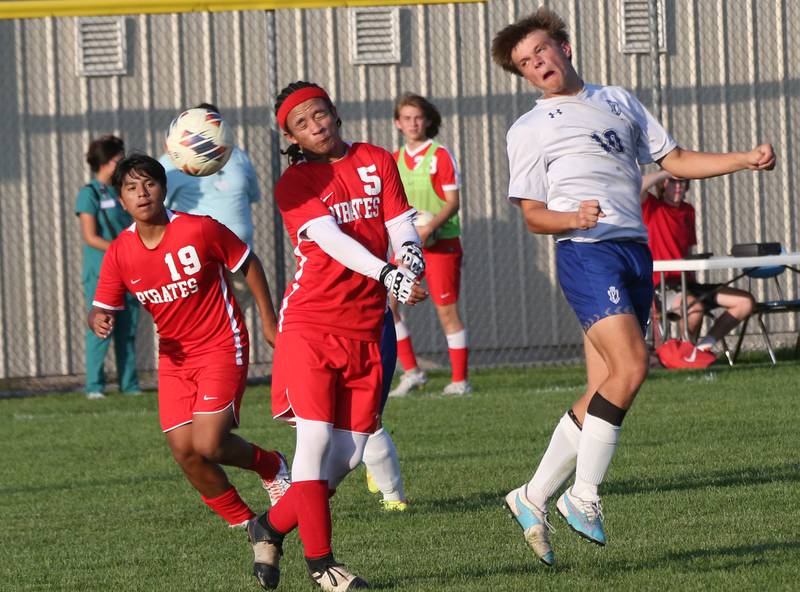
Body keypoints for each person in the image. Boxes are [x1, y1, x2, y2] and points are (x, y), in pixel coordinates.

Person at [491, 7, 775, 565]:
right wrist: (571, 218)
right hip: (586, 252)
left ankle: (530, 495)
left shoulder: (618, 98)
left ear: (565, 48)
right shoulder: (528, 129)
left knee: (606, 384)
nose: (537, 64)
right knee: (633, 367)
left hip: (633, 252)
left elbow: (675, 160)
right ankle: (584, 496)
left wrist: (743, 159)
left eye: (541, 51)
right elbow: (531, 215)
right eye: (525, 62)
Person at [246, 81, 427, 592]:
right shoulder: (295, 184)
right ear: (292, 137)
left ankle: (270, 525)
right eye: (301, 123)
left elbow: (400, 220)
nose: (316, 125)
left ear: (335, 112)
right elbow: (331, 239)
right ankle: (323, 565)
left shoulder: (375, 158)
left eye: (320, 113)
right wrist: (388, 274)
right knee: (316, 437)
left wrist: (408, 259)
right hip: (311, 324)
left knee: (345, 458)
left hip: (366, 327)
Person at [87, 154, 290, 553]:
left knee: (210, 443)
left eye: (149, 183)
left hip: (221, 344)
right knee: (185, 451)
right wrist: (98, 318)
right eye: (131, 188)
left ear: (164, 189)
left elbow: (248, 263)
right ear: (122, 202)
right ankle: (249, 525)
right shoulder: (120, 252)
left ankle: (272, 465)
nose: (142, 193)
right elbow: (102, 306)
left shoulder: (199, 229)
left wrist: (268, 323)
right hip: (175, 360)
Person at [389, 93, 471, 397]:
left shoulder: (439, 155)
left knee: (445, 310)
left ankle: (460, 380)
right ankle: (412, 372)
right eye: (406, 118)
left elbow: (453, 202)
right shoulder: (394, 159)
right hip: (409, 243)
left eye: (418, 117)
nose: (413, 123)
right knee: (390, 305)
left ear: (427, 121)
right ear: (398, 123)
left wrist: (430, 227)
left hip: (441, 242)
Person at [159, 103, 262, 308]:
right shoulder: (172, 161)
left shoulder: (238, 156)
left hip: (238, 255)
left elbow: (251, 196)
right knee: (201, 318)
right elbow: (160, 209)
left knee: (236, 319)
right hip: (197, 258)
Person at [641, 172, 755, 353]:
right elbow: (638, 186)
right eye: (673, 182)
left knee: (745, 302)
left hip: (688, 284)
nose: (678, 186)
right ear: (664, 184)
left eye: (683, 181)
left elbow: (687, 251)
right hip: (661, 286)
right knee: (694, 308)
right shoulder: (653, 207)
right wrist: (668, 170)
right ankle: (684, 353)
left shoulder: (688, 210)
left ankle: (701, 348)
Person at [75, 134, 140, 400]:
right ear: (106, 162)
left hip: (131, 271)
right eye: (119, 159)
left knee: (128, 329)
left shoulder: (122, 191)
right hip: (102, 271)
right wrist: (120, 250)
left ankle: (130, 384)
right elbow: (90, 236)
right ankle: (95, 386)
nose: (123, 163)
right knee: (101, 327)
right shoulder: (89, 193)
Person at [363, 307, 409, 511]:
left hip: (374, 324)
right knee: (320, 422)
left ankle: (394, 499)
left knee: (371, 414)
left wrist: (402, 277)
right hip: (326, 328)